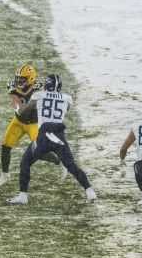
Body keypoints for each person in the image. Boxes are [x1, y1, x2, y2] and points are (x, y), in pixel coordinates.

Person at [8, 73, 96, 205]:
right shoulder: (67, 98)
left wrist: (20, 107)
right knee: (71, 165)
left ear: (47, 84)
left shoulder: (39, 95)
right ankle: (90, 191)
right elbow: (65, 108)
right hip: (59, 135)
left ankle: (23, 196)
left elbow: (24, 111)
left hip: (43, 136)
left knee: (26, 161)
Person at [0, 63, 40, 185]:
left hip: (33, 123)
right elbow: (14, 99)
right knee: (6, 145)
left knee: (39, 151)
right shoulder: (13, 86)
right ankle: (5, 175)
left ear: (30, 78)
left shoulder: (40, 87)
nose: (19, 81)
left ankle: (59, 162)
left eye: (22, 79)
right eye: (18, 78)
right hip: (18, 121)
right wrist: (17, 107)